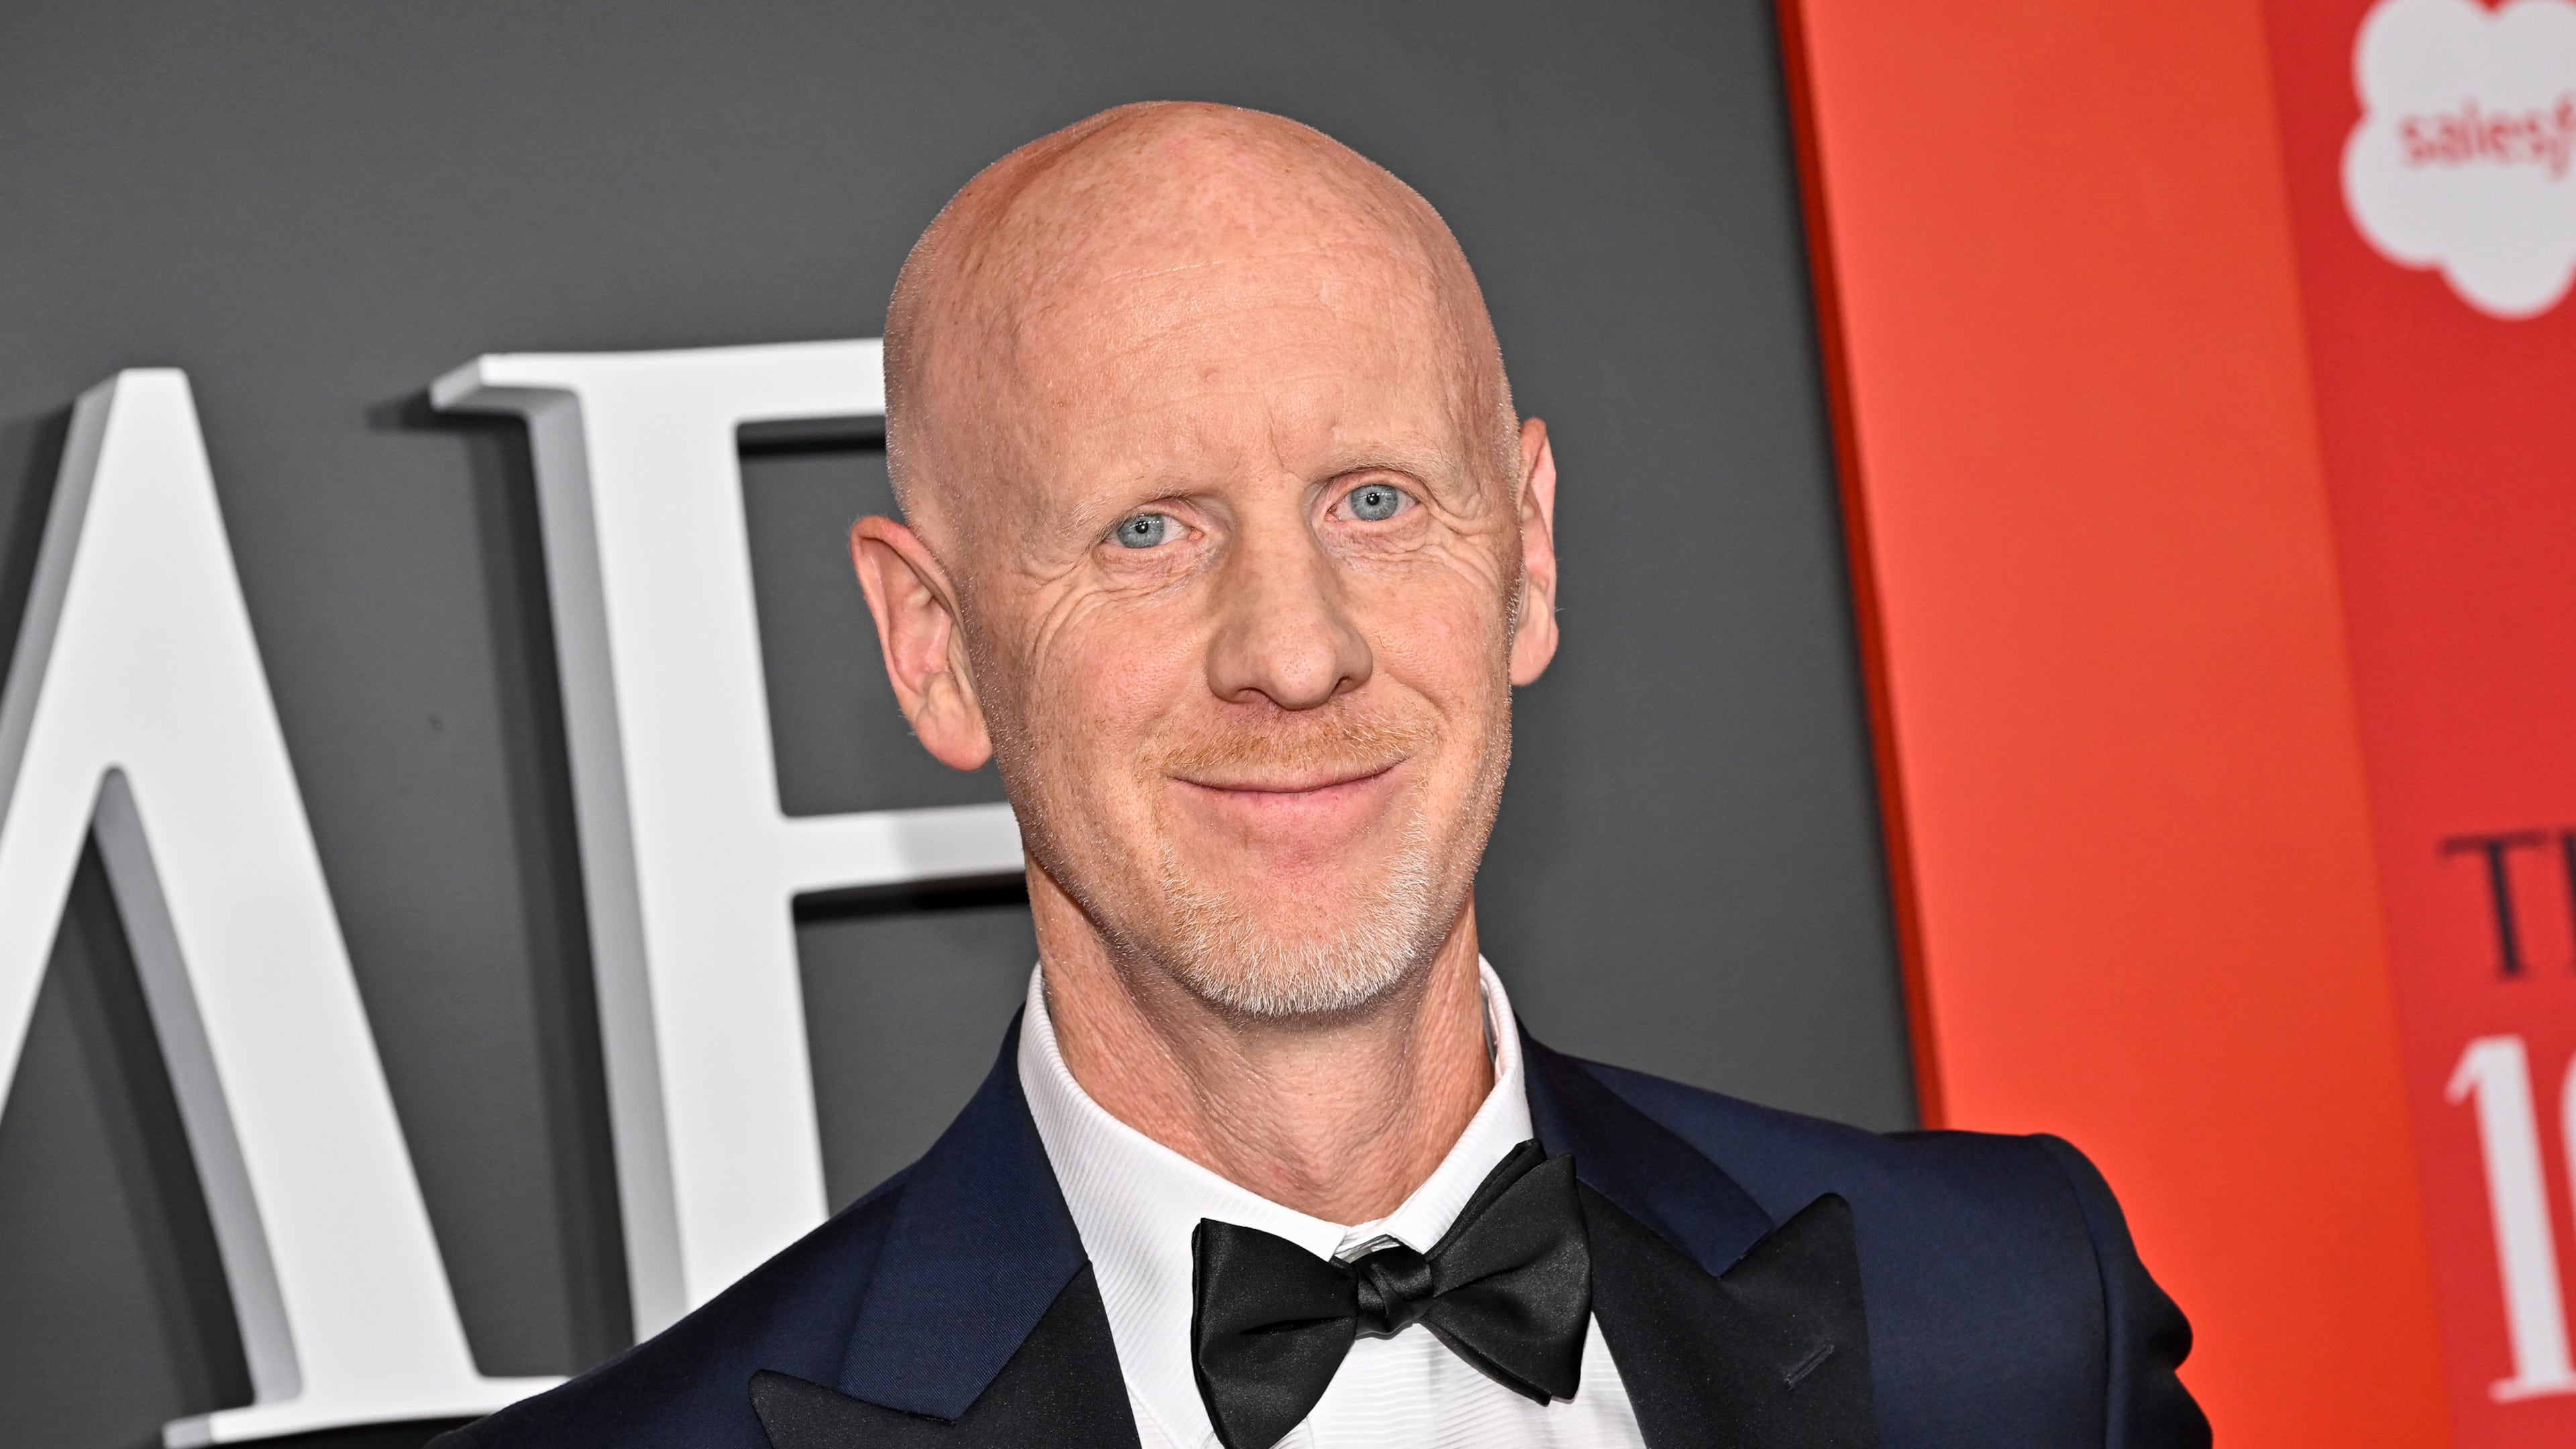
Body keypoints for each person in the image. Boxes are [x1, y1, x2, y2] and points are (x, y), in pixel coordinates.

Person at [433, 102, 2208, 1449]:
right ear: (935, 644)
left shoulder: (2008, 1324)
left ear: (1527, 557)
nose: (1294, 653)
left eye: (1374, 500)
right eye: (1148, 529)